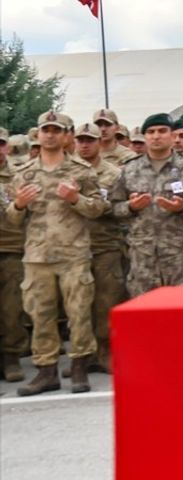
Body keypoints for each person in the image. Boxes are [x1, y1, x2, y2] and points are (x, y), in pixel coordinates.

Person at [4, 112, 108, 395]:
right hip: (37, 256)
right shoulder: (23, 173)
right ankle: (46, 371)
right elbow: (12, 219)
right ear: (37, 134)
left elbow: (98, 209)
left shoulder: (82, 171)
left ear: (66, 136)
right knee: (40, 315)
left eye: (56, 130)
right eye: (45, 130)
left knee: (78, 313)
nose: (50, 134)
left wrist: (76, 199)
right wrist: (20, 205)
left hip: (74, 253)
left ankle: (78, 368)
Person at [109, 113, 183, 296]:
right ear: (145, 137)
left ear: (172, 136)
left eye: (162, 131)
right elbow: (114, 207)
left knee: (182, 314)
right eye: (150, 132)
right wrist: (131, 207)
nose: (156, 136)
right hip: (143, 257)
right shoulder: (129, 169)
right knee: (145, 317)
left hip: (180, 257)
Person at [71, 123, 128, 373]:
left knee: (107, 300)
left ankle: (105, 351)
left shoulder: (114, 174)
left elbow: (116, 209)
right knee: (78, 304)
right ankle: (84, 354)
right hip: (73, 246)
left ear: (99, 143)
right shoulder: (67, 171)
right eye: (80, 140)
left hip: (105, 244)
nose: (84, 145)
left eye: (89, 140)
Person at [0, 128, 29, 383]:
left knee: (12, 308)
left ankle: (11, 357)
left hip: (12, 247)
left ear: (6, 147)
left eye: (0, 144)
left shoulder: (19, 176)